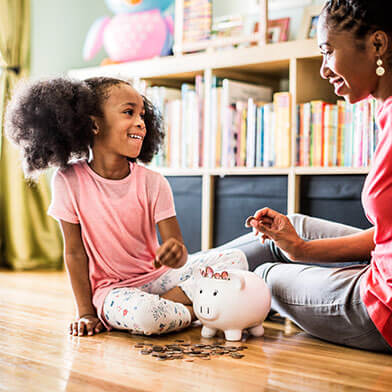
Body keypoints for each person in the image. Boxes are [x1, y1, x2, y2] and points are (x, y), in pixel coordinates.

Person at [5, 76, 247, 337]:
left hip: (159, 278)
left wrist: (175, 251)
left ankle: (178, 306)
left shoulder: (154, 182)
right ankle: (198, 309)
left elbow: (177, 247)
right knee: (147, 317)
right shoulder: (68, 181)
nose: (141, 122)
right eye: (129, 112)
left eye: (142, 115)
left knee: (236, 259)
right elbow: (74, 253)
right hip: (113, 291)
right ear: (93, 124)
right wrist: (86, 312)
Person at [217, 0, 392, 353]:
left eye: (328, 52)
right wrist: (300, 248)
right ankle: (169, 280)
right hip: (381, 268)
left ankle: (170, 288)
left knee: (262, 276)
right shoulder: (385, 111)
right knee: (292, 229)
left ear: (377, 45)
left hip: (385, 307)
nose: (324, 69)